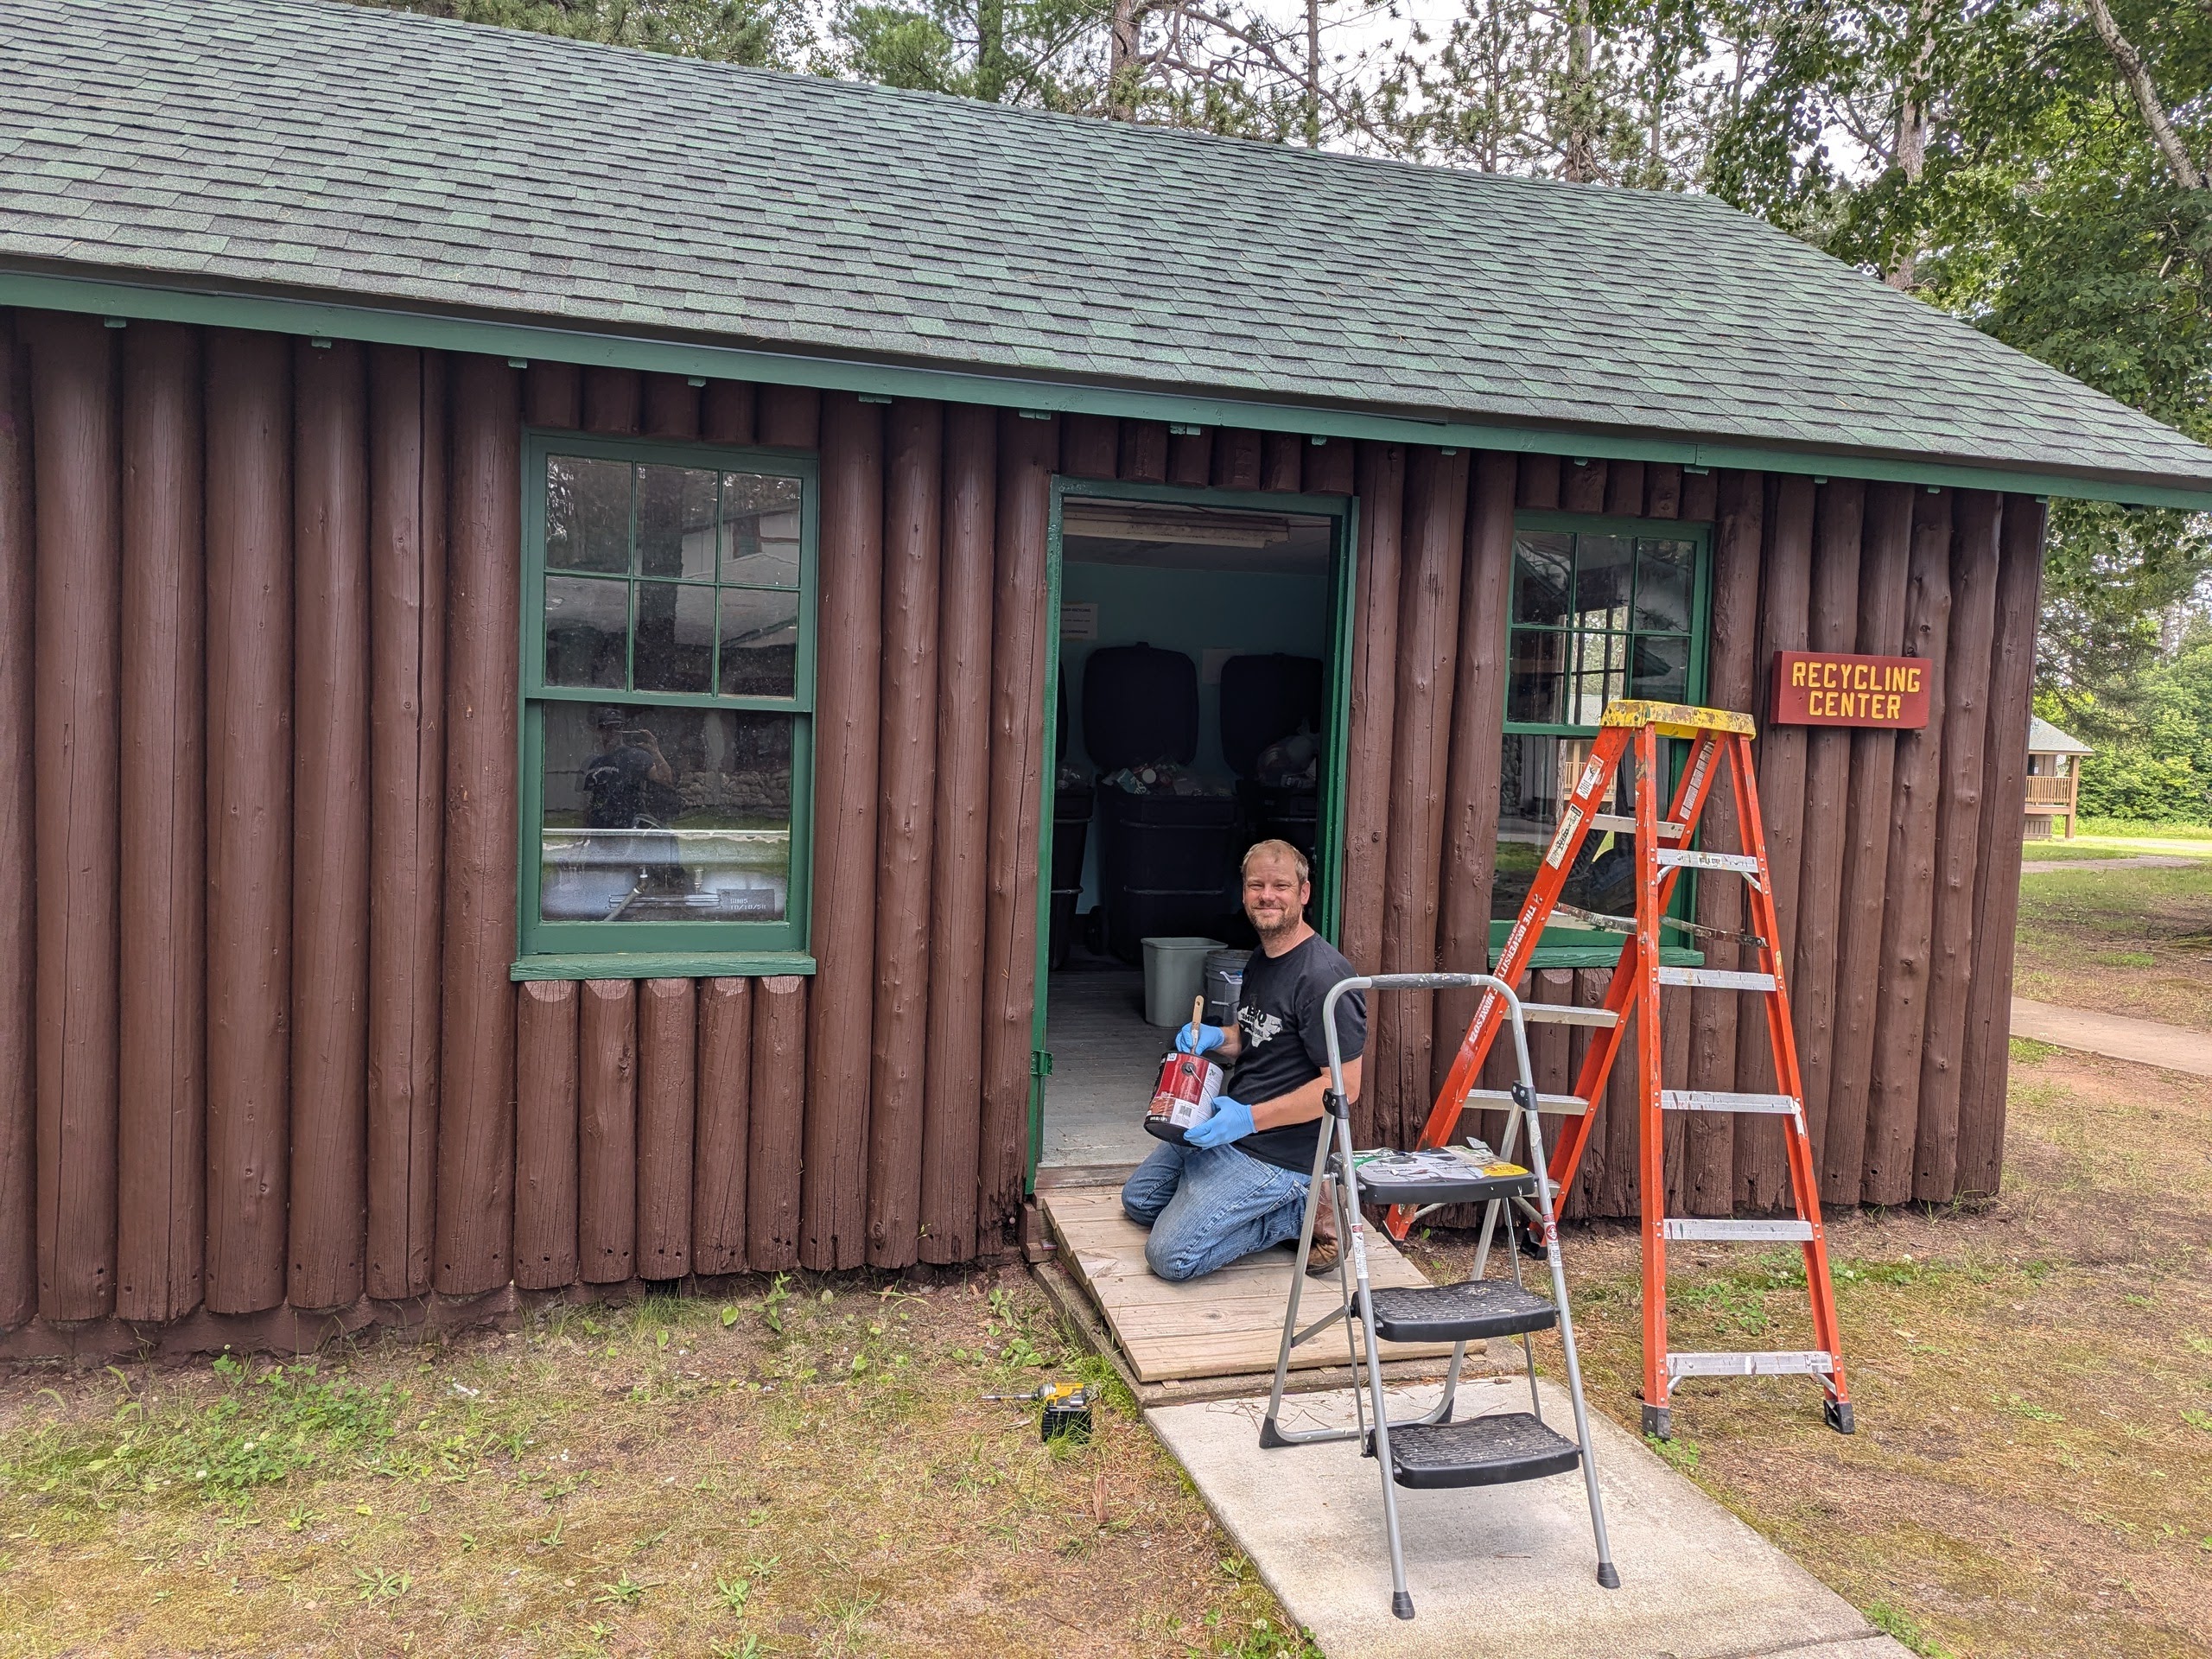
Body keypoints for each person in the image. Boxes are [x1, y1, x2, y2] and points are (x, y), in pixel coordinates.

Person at [1122, 839, 1366, 1282]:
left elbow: (1342, 1088)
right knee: (1139, 1203)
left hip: (1280, 1154)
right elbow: (1252, 1035)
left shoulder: (1325, 978)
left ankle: (1297, 1213)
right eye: (1256, 885)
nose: (1266, 895)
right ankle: (1217, 1195)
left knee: (1170, 1256)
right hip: (1227, 1126)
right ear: (1244, 892)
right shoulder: (1261, 957)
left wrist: (1248, 1119)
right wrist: (1214, 1036)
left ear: (1304, 894)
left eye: (1280, 886)